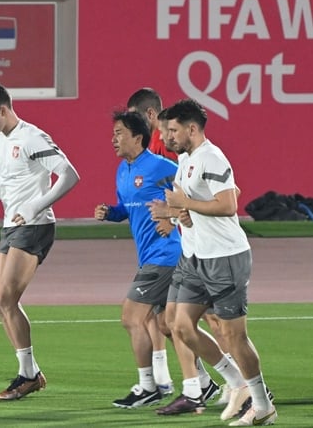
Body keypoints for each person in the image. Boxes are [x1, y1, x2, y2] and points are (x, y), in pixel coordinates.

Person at [160, 98, 277, 426]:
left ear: (192, 129)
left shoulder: (211, 156)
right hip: (195, 256)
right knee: (180, 325)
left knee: (234, 335)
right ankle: (236, 381)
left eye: (174, 130)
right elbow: (204, 199)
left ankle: (261, 402)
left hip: (224, 257)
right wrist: (182, 211)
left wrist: (187, 202)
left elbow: (228, 204)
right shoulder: (187, 159)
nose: (169, 136)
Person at [0, 83, 80, 400]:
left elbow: (69, 175)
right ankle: (30, 372)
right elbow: (7, 181)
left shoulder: (32, 138)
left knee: (5, 299)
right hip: (10, 225)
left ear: (4, 109)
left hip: (35, 225)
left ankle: (28, 375)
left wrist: (35, 205)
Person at [94, 111, 183, 408]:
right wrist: (112, 213)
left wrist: (174, 220)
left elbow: (195, 193)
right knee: (169, 325)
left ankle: (148, 386)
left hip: (165, 254)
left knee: (131, 317)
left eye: (119, 133)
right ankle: (208, 382)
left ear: (137, 137)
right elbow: (127, 208)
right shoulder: (123, 170)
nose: (112, 138)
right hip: (148, 257)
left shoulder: (162, 167)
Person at [127, 87, 177, 161]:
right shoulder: (154, 142)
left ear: (150, 114)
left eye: (136, 118)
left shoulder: (164, 141)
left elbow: (178, 170)